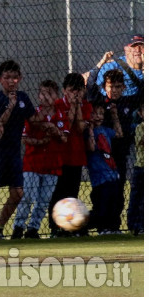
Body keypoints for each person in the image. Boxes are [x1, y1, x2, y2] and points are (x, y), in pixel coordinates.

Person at [11, 80, 68, 239]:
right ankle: (18, 227)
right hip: (32, 164)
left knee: (44, 201)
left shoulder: (61, 115)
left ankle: (33, 229)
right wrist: (41, 142)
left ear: (56, 95)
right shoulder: (33, 114)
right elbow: (25, 138)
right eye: (43, 93)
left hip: (53, 165)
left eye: (50, 93)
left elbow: (64, 138)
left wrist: (54, 130)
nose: (46, 97)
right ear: (38, 96)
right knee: (28, 196)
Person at [86, 68, 139, 232]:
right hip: (101, 156)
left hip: (120, 154)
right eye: (111, 86)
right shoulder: (100, 102)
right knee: (101, 193)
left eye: (118, 87)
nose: (114, 90)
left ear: (123, 87)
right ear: (104, 87)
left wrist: (138, 70)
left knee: (118, 191)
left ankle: (113, 225)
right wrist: (101, 64)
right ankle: (99, 224)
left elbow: (143, 91)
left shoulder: (127, 102)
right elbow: (89, 85)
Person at [0, 60, 36, 239]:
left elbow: (34, 119)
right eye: (7, 77)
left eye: (15, 78)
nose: (11, 81)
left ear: (20, 78)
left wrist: (50, 115)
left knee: (18, 193)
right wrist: (10, 106)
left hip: (14, 153)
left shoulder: (23, 97)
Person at [47, 72, 92, 237]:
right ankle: (55, 226)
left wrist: (77, 107)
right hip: (59, 156)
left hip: (76, 156)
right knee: (58, 192)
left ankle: (70, 227)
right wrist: (72, 107)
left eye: (79, 90)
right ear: (65, 90)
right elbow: (68, 124)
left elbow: (80, 128)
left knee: (72, 191)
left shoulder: (86, 106)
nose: (76, 93)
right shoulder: (57, 104)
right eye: (73, 90)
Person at [85, 102, 123, 234]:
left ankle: (113, 227)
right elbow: (91, 147)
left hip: (112, 173)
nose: (98, 116)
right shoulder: (89, 132)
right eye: (94, 113)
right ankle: (101, 227)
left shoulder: (105, 130)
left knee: (114, 202)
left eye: (101, 113)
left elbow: (119, 133)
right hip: (99, 176)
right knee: (102, 204)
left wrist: (114, 115)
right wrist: (90, 127)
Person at [95, 34, 143, 98]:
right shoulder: (112, 66)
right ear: (126, 49)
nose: (138, 50)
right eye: (134, 47)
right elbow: (99, 89)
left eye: (142, 46)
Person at [127, 106, 143, 235]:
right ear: (141, 114)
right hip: (141, 167)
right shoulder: (140, 128)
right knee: (137, 197)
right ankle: (134, 225)